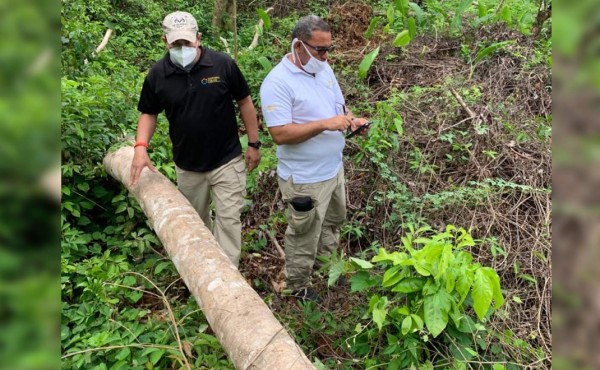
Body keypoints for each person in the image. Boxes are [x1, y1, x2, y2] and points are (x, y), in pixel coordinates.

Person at [129, 11, 261, 268]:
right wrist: (140, 147)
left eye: (186, 42)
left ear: (198, 38)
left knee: (229, 220)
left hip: (227, 160)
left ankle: (228, 278)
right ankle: (205, 270)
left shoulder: (222, 64)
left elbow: (244, 101)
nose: (181, 48)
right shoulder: (158, 75)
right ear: (165, 41)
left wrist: (254, 144)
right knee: (197, 223)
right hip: (188, 166)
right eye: (175, 43)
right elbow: (148, 113)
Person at [259, 15, 369, 301]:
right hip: (305, 178)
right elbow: (280, 134)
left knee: (333, 221)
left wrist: (351, 121)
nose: (325, 56)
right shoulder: (277, 83)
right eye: (319, 49)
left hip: (333, 169)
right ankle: (297, 285)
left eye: (328, 49)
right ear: (298, 45)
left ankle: (324, 268)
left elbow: (337, 110)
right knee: (303, 233)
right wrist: (324, 125)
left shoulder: (323, 70)